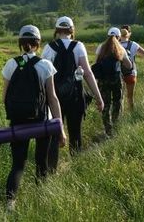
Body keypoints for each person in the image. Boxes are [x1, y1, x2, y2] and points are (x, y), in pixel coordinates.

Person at [2, 25, 67, 212]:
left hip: (17, 122)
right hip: (42, 121)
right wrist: (60, 128)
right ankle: (41, 200)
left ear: (20, 43)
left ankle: (10, 204)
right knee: (41, 162)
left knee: (18, 164)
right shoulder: (45, 65)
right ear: (38, 44)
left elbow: (4, 97)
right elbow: (52, 98)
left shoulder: (11, 64)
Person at [42, 16, 104, 170]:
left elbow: (42, 75)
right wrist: (98, 97)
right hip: (75, 96)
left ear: (57, 30)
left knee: (54, 133)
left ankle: (51, 170)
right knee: (75, 132)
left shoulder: (49, 47)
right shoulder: (78, 46)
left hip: (53, 97)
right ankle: (77, 167)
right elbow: (88, 74)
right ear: (71, 29)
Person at [94, 27, 132, 136]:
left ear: (107, 36)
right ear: (119, 37)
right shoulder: (120, 48)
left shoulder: (101, 47)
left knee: (106, 104)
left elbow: (96, 63)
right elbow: (128, 65)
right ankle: (115, 126)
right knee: (117, 102)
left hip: (102, 81)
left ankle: (108, 129)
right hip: (116, 80)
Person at [119, 25, 144, 111]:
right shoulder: (133, 44)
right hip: (131, 73)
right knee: (130, 97)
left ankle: (120, 115)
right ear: (129, 34)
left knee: (121, 97)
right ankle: (131, 115)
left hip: (119, 73)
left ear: (120, 34)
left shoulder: (116, 44)